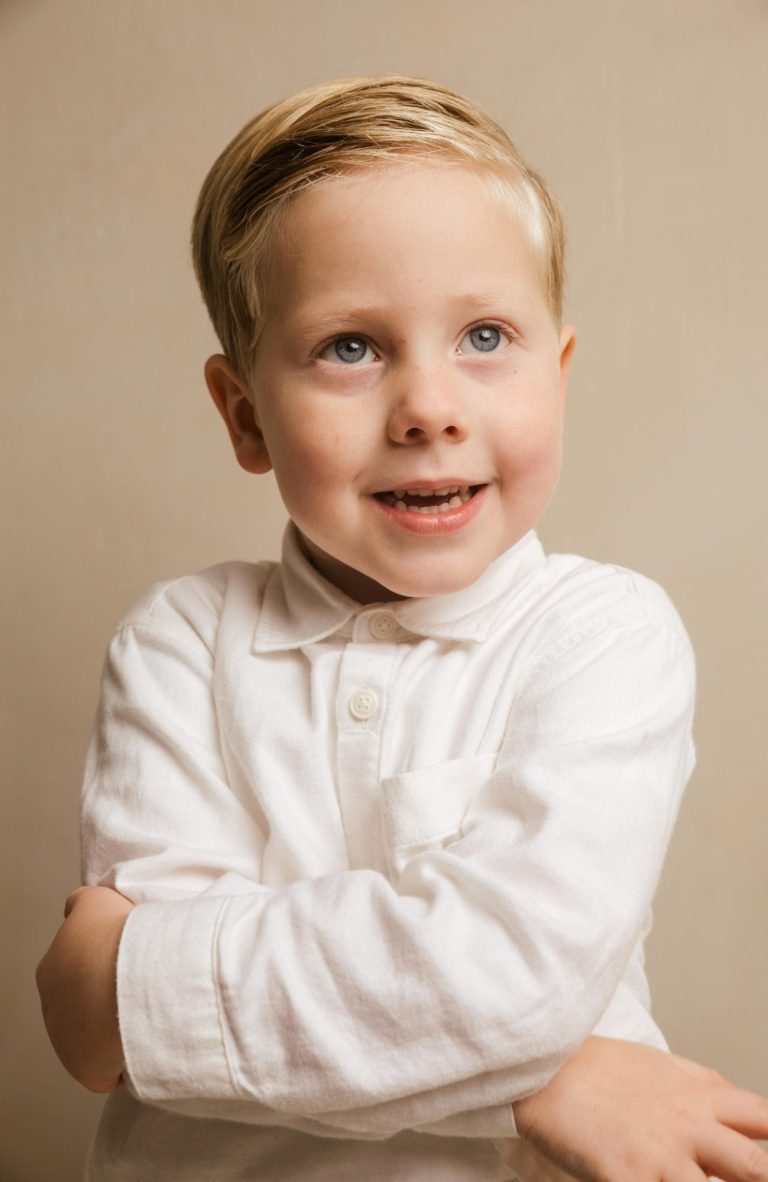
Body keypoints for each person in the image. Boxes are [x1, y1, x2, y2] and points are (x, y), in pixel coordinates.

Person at [36, 76, 768, 1182]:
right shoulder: (180, 641)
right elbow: (122, 1047)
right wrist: (547, 1077)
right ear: (245, 415)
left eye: (485, 335)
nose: (429, 407)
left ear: (558, 375)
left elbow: (137, 1008)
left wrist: (140, 983)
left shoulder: (604, 636)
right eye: (350, 348)